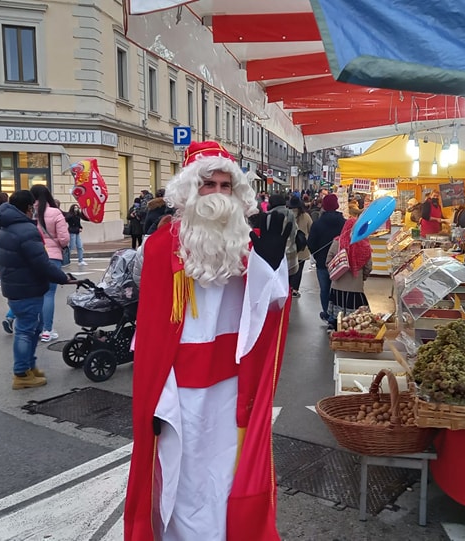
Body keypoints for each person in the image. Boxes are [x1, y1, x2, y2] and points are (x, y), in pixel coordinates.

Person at [125, 141, 292, 541]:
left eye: (224, 185)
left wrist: (270, 263)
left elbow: (273, 307)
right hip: (179, 393)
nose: (217, 195)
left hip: (232, 389)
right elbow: (151, 332)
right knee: (180, 478)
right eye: (207, 185)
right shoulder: (161, 247)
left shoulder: (246, 245)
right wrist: (154, 396)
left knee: (225, 475)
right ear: (187, 191)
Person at [0, 190, 75, 389]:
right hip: (26, 286)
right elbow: (41, 262)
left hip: (16, 285)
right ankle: (22, 373)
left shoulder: (7, 226)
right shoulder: (26, 230)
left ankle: (28, 367)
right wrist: (63, 278)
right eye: (32, 206)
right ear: (29, 207)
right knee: (25, 330)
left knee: (33, 328)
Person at [30, 184, 70, 342]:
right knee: (49, 294)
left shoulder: (29, 213)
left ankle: (36, 326)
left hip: (34, 255)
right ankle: (47, 329)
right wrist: (60, 245)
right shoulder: (55, 212)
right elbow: (64, 238)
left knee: (37, 293)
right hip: (52, 256)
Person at [326, 208, 373, 322]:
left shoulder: (338, 242)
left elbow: (328, 261)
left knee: (337, 314)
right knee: (357, 317)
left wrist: (335, 271)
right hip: (355, 286)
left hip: (337, 285)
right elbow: (368, 266)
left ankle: (335, 326)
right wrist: (362, 277)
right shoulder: (364, 245)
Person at [307, 194, 346, 321]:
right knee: (338, 289)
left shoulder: (317, 224)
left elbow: (311, 243)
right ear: (337, 205)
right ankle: (338, 315)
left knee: (325, 290)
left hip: (322, 262)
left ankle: (327, 314)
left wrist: (318, 256)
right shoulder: (344, 223)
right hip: (340, 262)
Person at [268, 193, 300, 284]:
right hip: (291, 254)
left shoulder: (268, 215)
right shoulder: (290, 214)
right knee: (288, 284)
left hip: (273, 256)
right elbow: (294, 232)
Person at [288, 195, 312, 297]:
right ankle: (295, 290)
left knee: (289, 269)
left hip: (289, 247)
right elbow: (311, 229)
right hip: (302, 248)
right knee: (299, 270)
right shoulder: (306, 216)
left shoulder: (287, 215)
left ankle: (288, 288)